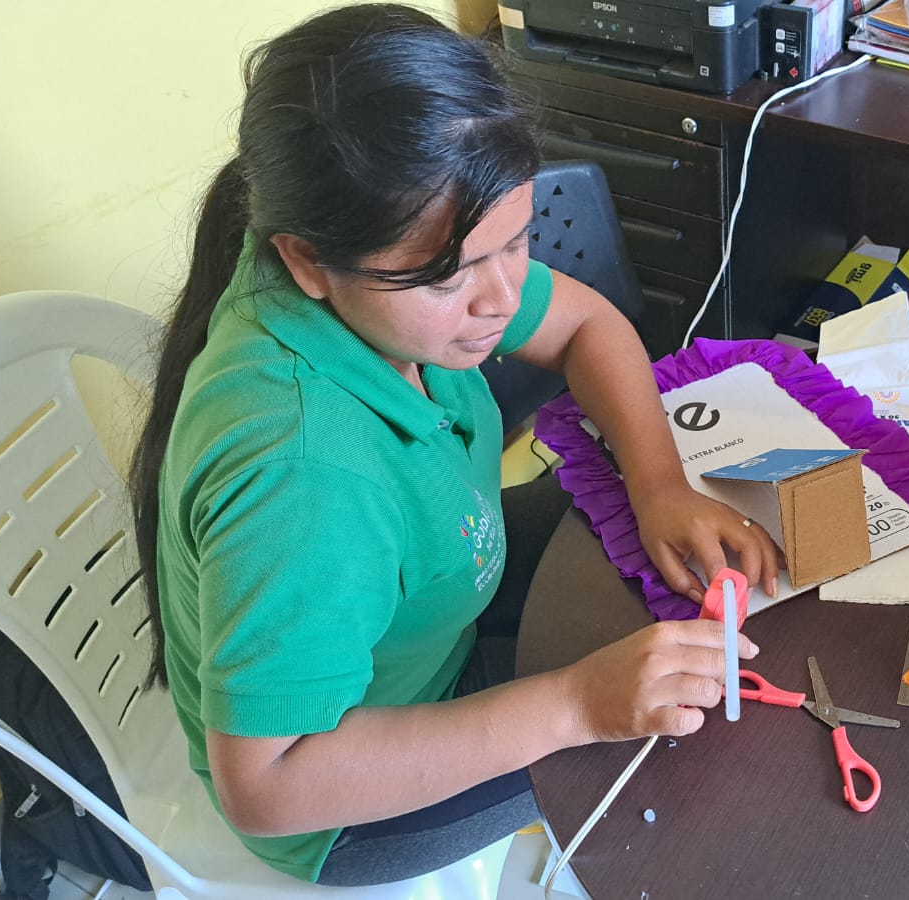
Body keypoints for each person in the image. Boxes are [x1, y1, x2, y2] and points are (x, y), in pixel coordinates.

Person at [127, 4, 781, 886]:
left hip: (430, 605)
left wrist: (659, 485)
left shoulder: (376, 263)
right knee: (688, 751)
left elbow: (585, 323)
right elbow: (270, 786)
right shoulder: (303, 477)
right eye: (448, 276)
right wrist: (575, 706)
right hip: (349, 806)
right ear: (309, 262)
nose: (503, 301)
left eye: (517, 243)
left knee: (647, 574)